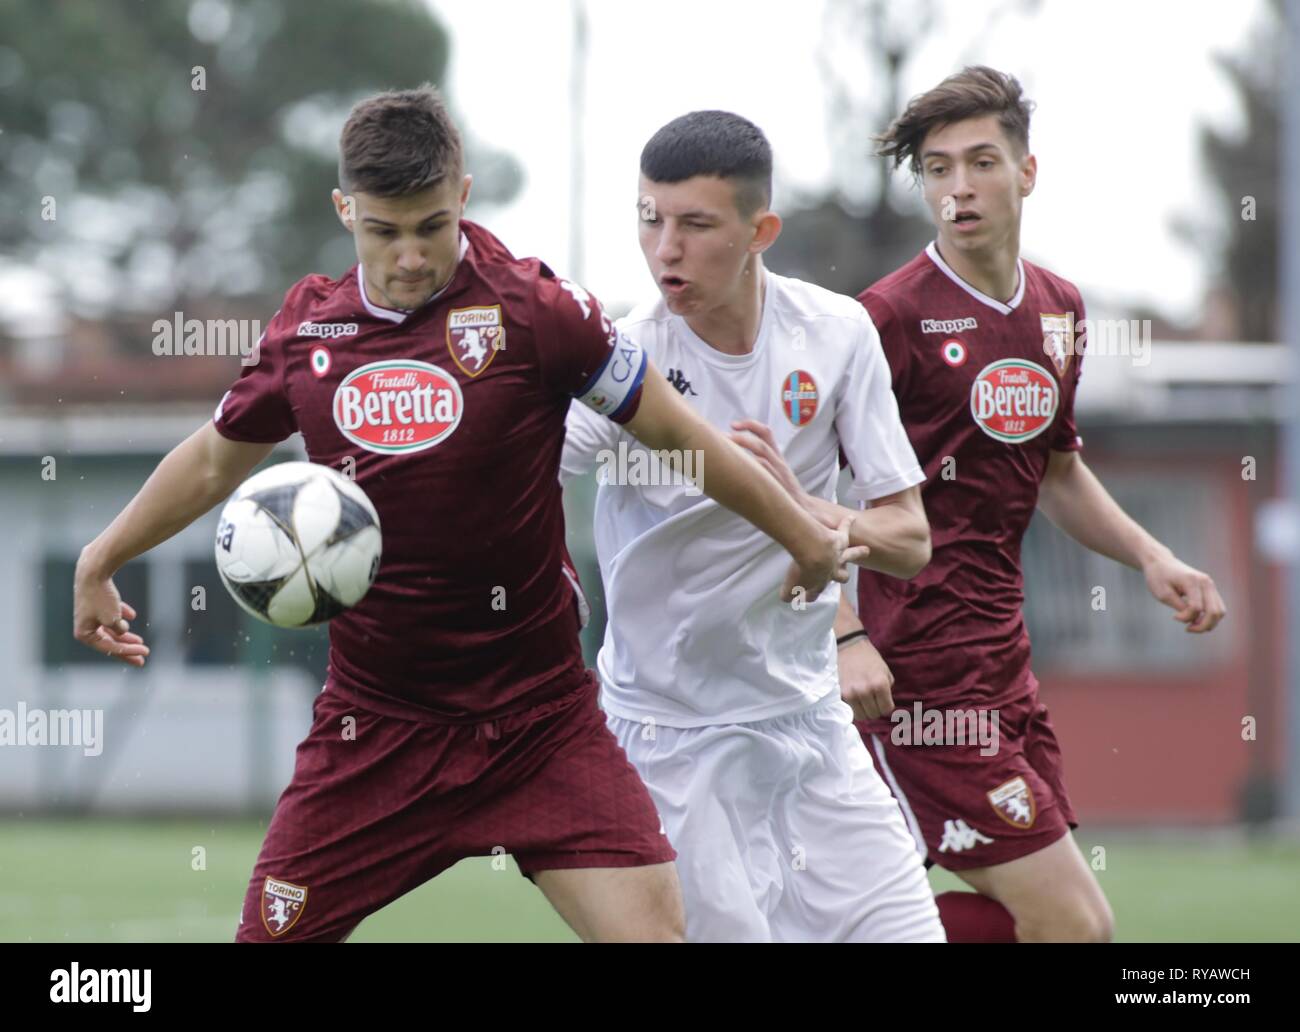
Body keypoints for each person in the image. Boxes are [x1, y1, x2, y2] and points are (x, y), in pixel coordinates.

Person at [71, 86, 860, 944]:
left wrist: (804, 538)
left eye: (431, 226)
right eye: (383, 230)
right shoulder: (309, 334)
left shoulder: (537, 311)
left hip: (543, 725)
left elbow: (685, 436)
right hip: (374, 731)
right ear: (344, 210)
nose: (410, 257)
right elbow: (218, 457)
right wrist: (101, 557)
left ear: (465, 198)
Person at [746, 67, 1227, 943]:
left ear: (1027, 171)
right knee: (1074, 925)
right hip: (915, 668)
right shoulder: (882, 319)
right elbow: (803, 496)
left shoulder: (1059, 312)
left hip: (1006, 664)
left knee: (1006, 921)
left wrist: (1154, 556)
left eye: (980, 163)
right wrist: (844, 631)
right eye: (937, 169)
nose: (958, 188)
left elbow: (1055, 470)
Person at [562, 111, 945, 942]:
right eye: (648, 218)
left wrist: (817, 520)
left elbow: (910, 540)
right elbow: (512, 496)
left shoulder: (838, 333)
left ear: (759, 230)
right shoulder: (621, 360)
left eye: (696, 224)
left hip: (810, 727)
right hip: (669, 742)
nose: (665, 248)